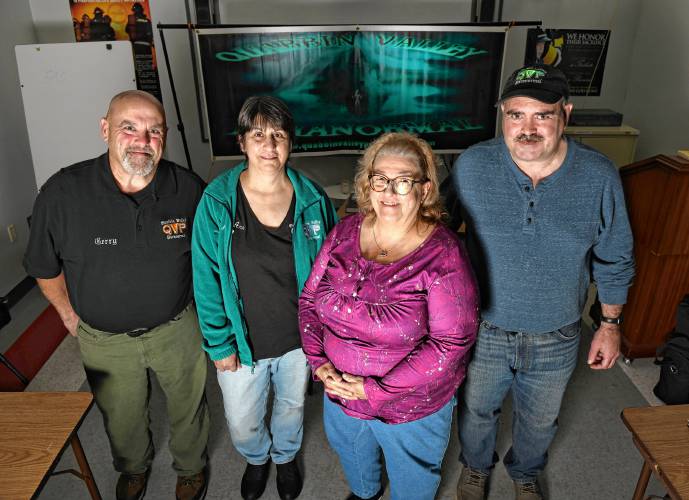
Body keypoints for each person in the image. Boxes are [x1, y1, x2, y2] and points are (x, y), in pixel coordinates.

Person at [452, 64, 634, 500]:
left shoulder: (599, 175)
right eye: (516, 115)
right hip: (484, 329)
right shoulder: (471, 166)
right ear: (502, 115)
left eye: (542, 115)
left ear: (565, 114)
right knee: (476, 410)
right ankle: (476, 467)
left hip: (558, 332)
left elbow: (616, 254)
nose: (527, 128)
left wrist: (609, 325)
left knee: (539, 419)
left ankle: (526, 472)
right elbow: (433, 233)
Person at [23, 90, 210, 500]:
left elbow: (210, 259)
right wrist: (67, 313)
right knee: (120, 415)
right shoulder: (62, 193)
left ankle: (192, 467)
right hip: (103, 339)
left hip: (176, 328)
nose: (143, 139)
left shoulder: (188, 189)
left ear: (164, 138)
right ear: (105, 129)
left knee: (188, 406)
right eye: (129, 127)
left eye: (154, 130)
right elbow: (42, 264)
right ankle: (133, 468)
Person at [299, 132, 480, 500]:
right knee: (352, 454)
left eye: (404, 182)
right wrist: (318, 363)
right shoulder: (345, 232)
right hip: (340, 393)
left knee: (413, 479)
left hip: (411, 408)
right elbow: (309, 301)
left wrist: (373, 390)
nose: (389, 192)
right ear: (368, 183)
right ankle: (365, 492)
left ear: (425, 189)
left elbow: (451, 344)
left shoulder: (444, 254)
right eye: (380, 179)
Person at [192, 96, 337, 500]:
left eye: (278, 135)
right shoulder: (218, 201)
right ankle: (257, 459)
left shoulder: (313, 199)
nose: (269, 145)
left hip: (297, 340)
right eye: (258, 134)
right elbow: (204, 278)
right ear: (242, 143)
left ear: (291, 142)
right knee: (242, 420)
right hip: (241, 343)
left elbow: (331, 271)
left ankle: (285, 457)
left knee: (291, 407)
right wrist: (219, 344)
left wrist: (326, 336)